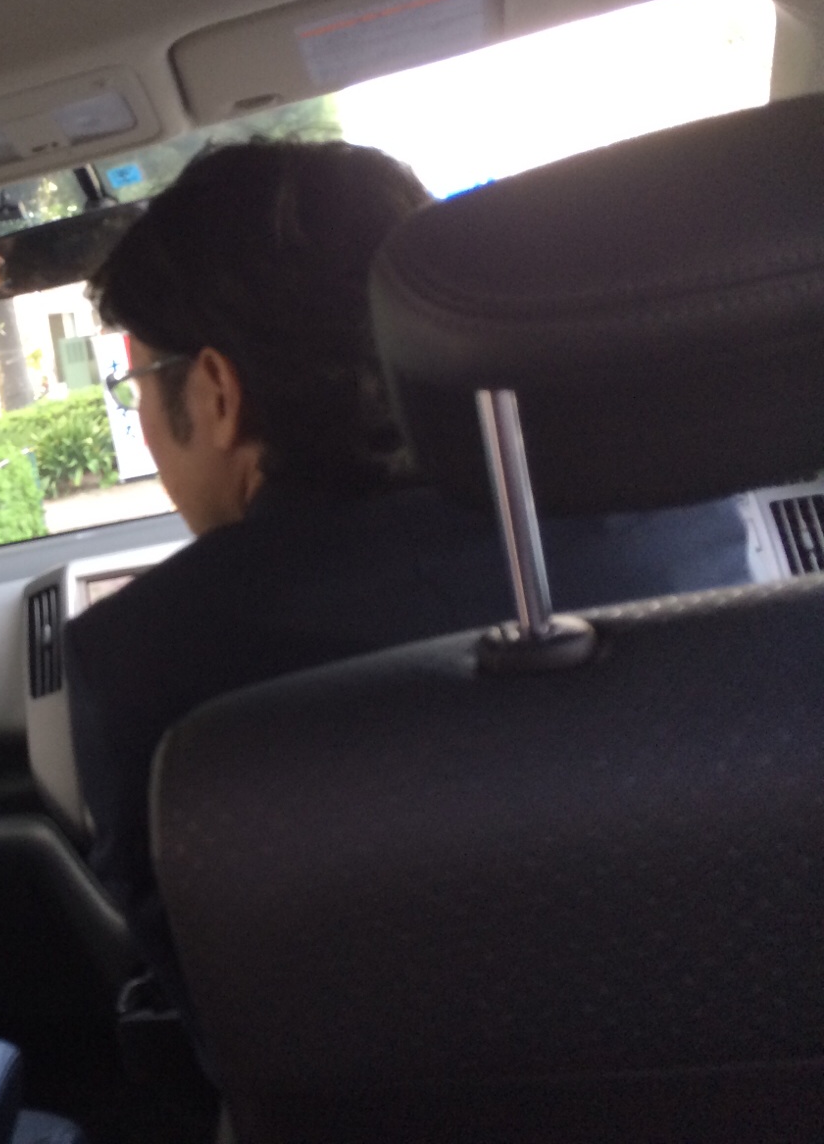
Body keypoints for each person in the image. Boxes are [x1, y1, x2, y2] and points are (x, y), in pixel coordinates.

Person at [63, 139, 753, 1035]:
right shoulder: (690, 526)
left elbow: (214, 1011)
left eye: (140, 383)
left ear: (218, 392)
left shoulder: (139, 659)